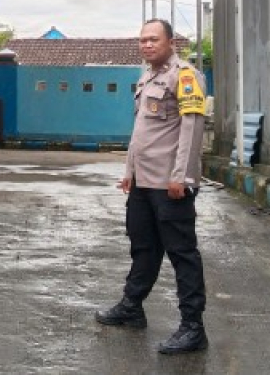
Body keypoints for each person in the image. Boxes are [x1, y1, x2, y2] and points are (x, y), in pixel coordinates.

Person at [95, 18, 210, 355]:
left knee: (182, 254)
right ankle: (132, 306)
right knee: (143, 246)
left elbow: (192, 128)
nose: (146, 45)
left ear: (171, 42)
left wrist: (182, 176)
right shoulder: (147, 76)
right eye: (142, 39)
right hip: (143, 183)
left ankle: (193, 327)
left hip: (169, 183)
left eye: (153, 39)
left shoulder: (185, 75)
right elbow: (141, 131)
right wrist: (129, 171)